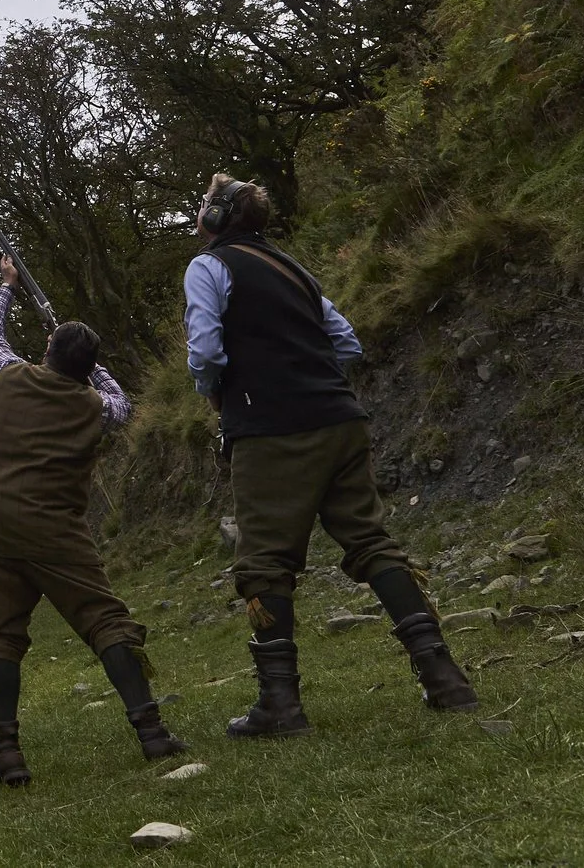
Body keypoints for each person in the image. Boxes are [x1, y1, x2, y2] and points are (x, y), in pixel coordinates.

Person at [188, 174, 477, 736]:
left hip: (270, 429)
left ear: (219, 216)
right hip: (340, 419)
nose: (199, 215)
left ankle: (281, 706)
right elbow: (346, 341)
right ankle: (445, 679)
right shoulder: (296, 270)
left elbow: (205, 351)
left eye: (204, 206)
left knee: (265, 563)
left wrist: (218, 392)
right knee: (371, 542)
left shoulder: (209, 267)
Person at [0, 257, 184, 786]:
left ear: (45, 353)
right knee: (106, 621)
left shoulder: (7, 375)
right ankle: (150, 733)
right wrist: (93, 368)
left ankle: (8, 756)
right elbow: (121, 401)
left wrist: (10, 286)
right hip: (53, 530)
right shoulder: (95, 406)